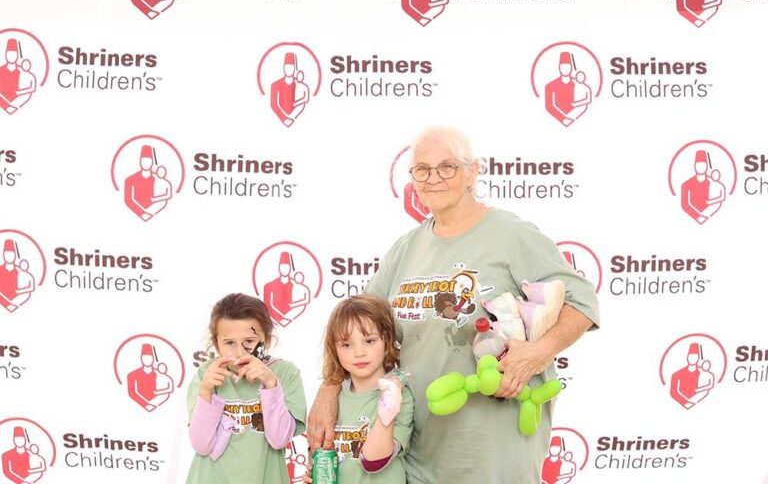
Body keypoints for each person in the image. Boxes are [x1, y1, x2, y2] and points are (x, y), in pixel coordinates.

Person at [307, 127, 600, 483]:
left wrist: (538, 352)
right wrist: (328, 388)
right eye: (422, 169)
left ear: (472, 172)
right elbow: (353, 328)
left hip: (494, 445)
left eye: (446, 167)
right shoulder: (406, 249)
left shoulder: (510, 234)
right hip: (422, 447)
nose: (433, 178)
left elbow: (582, 301)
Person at [186, 293, 306, 483]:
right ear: (217, 344)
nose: (240, 352)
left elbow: (279, 439)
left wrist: (270, 384)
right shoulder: (207, 374)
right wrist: (206, 393)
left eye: (249, 342)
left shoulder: (285, 373)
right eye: (229, 343)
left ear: (266, 340)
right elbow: (202, 445)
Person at [304, 295, 414, 483]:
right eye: (346, 345)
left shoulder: (400, 395)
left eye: (369, 341)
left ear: (386, 340)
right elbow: (318, 455)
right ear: (335, 349)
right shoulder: (331, 400)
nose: (359, 353)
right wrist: (313, 474)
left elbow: (373, 461)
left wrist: (388, 408)